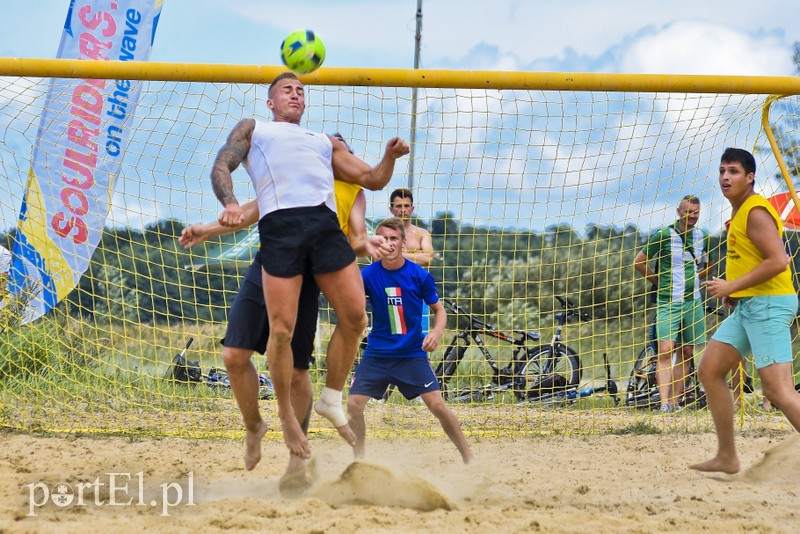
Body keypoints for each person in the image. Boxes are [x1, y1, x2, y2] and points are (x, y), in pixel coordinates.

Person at [209, 71, 409, 460]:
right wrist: (228, 204)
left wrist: (390, 157)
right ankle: (274, 419)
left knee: (356, 319)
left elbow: (372, 179)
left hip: (322, 231)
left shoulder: (323, 141)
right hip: (281, 231)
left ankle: (332, 398)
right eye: (287, 90)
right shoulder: (256, 129)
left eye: (302, 90)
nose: (296, 94)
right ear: (271, 102)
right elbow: (221, 166)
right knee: (273, 336)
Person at [181, 148, 392, 493]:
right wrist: (206, 228)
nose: (344, 159)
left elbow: (353, 239)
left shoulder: (355, 192)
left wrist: (365, 243)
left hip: (311, 272)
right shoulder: (298, 177)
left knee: (298, 368)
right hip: (270, 263)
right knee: (234, 356)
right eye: (338, 153)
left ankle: (298, 458)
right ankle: (254, 426)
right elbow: (252, 209)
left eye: (346, 154)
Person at [691, 147, 800, 474]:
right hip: (750, 305)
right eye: (723, 170)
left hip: (768, 305)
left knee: (778, 392)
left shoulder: (754, 211)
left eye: (734, 171)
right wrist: (735, 289)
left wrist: (732, 287)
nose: (726, 177)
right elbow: (755, 261)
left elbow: (779, 262)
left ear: (750, 177)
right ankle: (727, 457)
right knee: (710, 370)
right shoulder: (739, 213)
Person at [347, 218, 474, 464]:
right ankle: (359, 461)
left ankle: (469, 457)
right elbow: (353, 306)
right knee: (353, 405)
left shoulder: (419, 275)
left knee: (437, 405)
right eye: (383, 239)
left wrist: (436, 333)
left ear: (404, 242)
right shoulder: (367, 275)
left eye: (394, 238)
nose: (389, 244)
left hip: (411, 355)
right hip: (377, 355)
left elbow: (440, 311)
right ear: (377, 242)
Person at [634, 194, 713, 412]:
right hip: (668, 301)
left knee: (687, 351)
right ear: (679, 212)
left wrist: (698, 278)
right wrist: (657, 281)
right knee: (666, 349)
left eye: (696, 212)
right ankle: (664, 403)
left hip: (693, 302)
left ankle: (677, 401)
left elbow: (709, 264)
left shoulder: (703, 236)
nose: (692, 216)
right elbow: (639, 262)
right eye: (688, 212)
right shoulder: (664, 234)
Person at [388, 188, 434, 267]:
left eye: (406, 206)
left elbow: (428, 259)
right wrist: (417, 254)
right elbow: (383, 259)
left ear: (412, 209)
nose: (403, 210)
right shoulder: (384, 233)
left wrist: (398, 254)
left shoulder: (422, 234)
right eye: (399, 206)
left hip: (415, 278)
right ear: (391, 210)